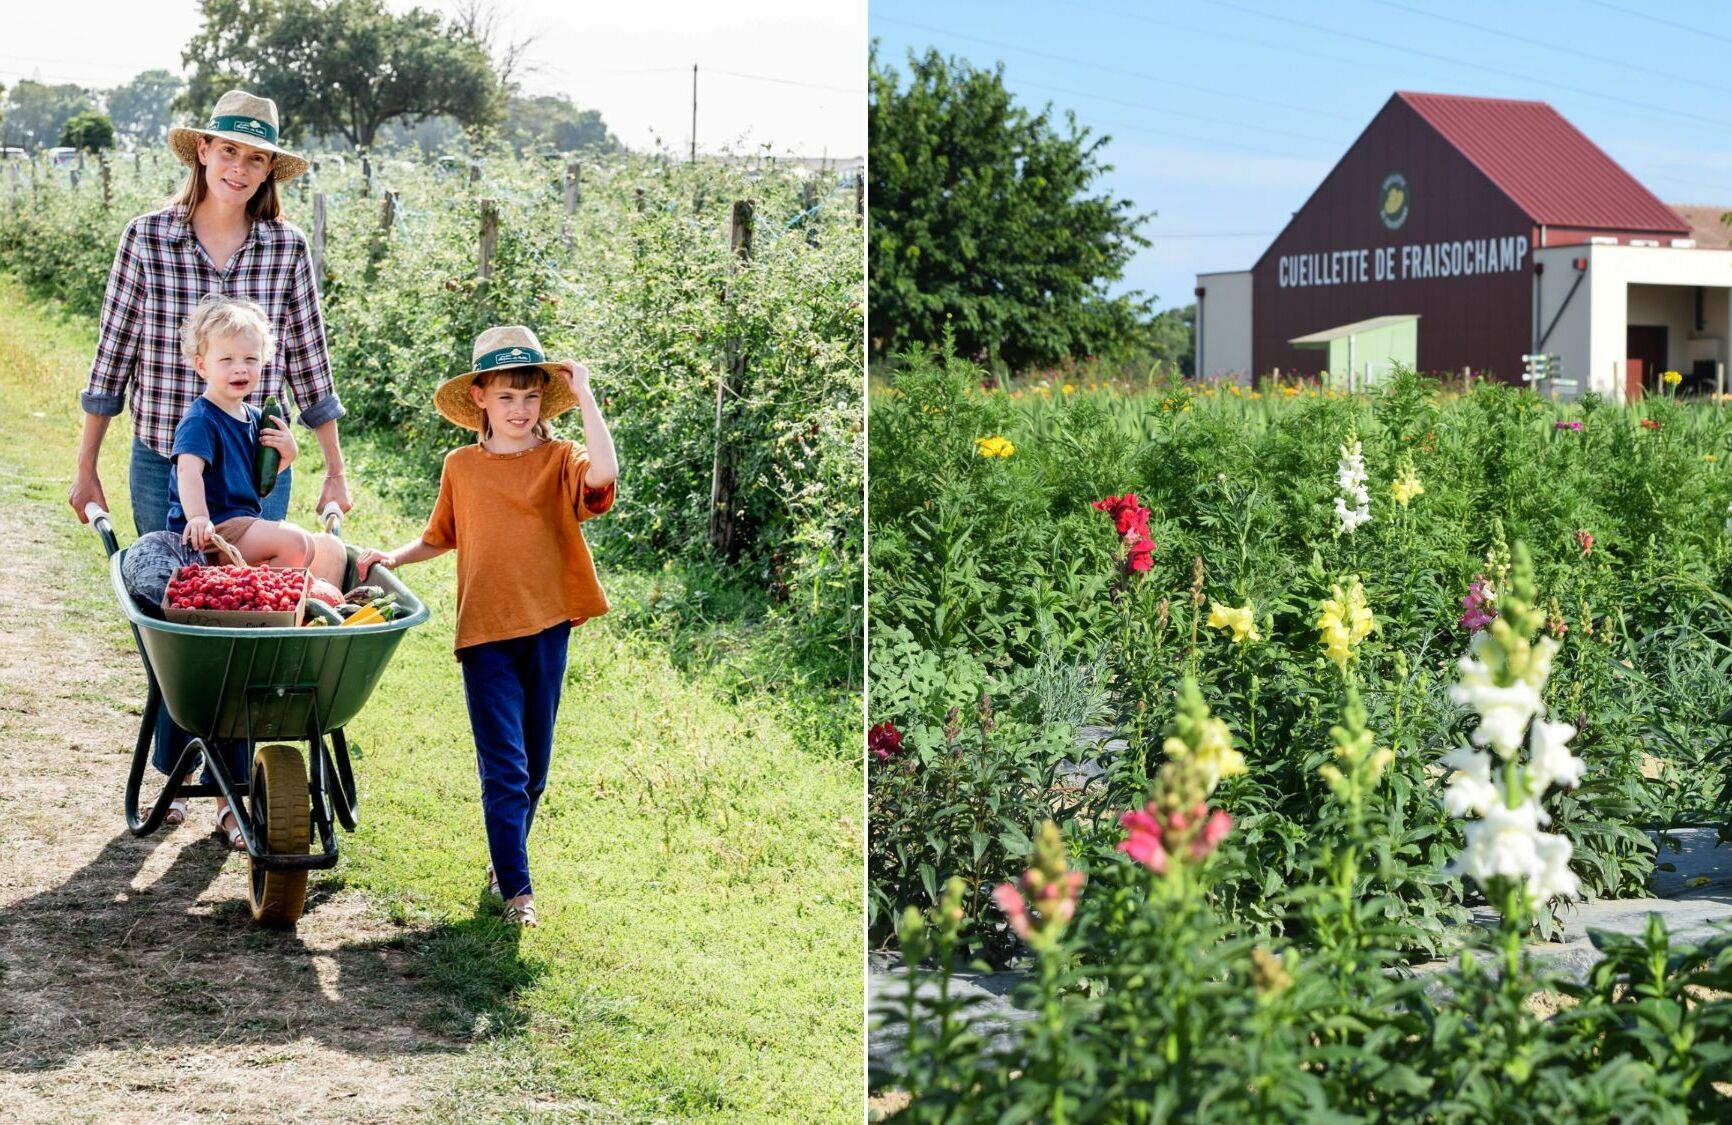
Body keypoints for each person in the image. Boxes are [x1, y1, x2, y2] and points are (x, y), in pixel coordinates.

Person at [68, 89, 352, 831]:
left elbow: (311, 366)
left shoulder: (285, 250)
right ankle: (185, 750)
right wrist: (86, 465)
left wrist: (334, 467)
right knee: (179, 617)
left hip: (257, 472)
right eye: (229, 150)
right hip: (166, 461)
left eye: (256, 157)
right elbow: (111, 358)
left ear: (270, 171)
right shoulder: (148, 239)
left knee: (252, 620)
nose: (241, 167)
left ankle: (234, 788)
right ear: (203, 152)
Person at [355, 326, 618, 928]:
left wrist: (586, 398)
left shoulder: (560, 459)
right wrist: (392, 557)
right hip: (483, 633)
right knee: (506, 767)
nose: (520, 409)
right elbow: (437, 536)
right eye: (507, 397)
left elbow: (603, 475)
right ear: (480, 397)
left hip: (548, 625)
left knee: (536, 766)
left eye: (531, 397)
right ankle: (517, 890)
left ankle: (506, 859)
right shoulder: (461, 467)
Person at [169, 295, 347, 592]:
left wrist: (288, 454)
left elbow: (257, 479)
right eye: (226, 360)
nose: (240, 368)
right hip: (211, 533)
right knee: (296, 543)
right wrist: (198, 517)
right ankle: (264, 602)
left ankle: (268, 602)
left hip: (241, 524)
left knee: (312, 547)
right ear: (202, 366)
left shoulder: (254, 417)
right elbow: (188, 471)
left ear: (263, 361)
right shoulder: (201, 419)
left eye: (250, 359)